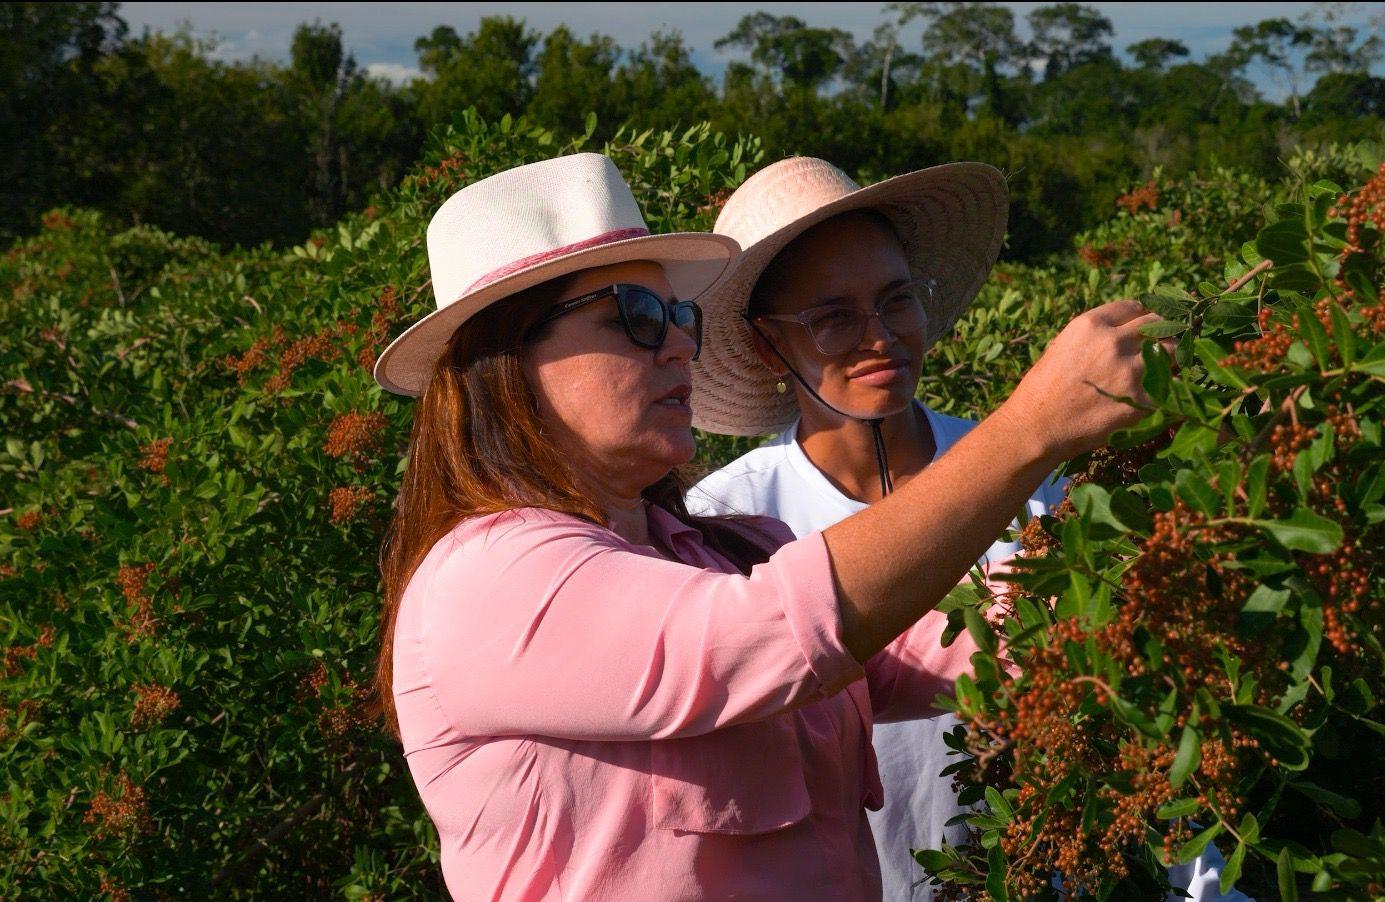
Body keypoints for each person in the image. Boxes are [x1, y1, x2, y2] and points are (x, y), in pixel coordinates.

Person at [371, 151, 1162, 899]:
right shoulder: (486, 581)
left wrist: (1167, 549)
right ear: (507, 360)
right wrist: (1030, 427)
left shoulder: (726, 549)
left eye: (677, 313)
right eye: (636, 315)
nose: (681, 341)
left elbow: (945, 642)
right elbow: (765, 631)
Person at [685, 157, 1247, 902]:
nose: (878, 337)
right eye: (831, 318)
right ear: (766, 345)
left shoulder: (1040, 476)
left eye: (896, 301)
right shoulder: (729, 528)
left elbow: (1139, 722)